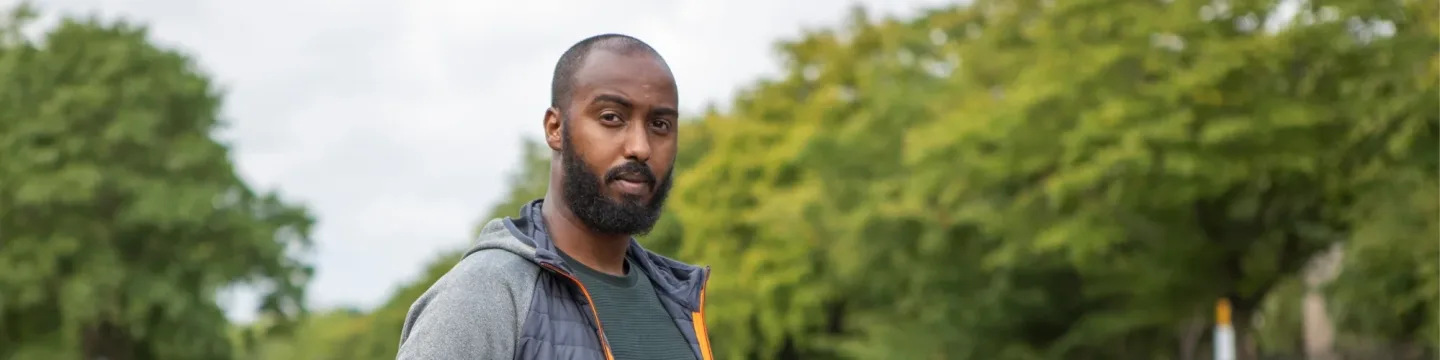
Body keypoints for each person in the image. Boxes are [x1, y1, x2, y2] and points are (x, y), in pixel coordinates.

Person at [396, 34, 713, 360]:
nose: (640, 147)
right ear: (555, 128)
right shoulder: (482, 296)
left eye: (660, 125)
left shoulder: (679, 300)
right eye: (611, 118)